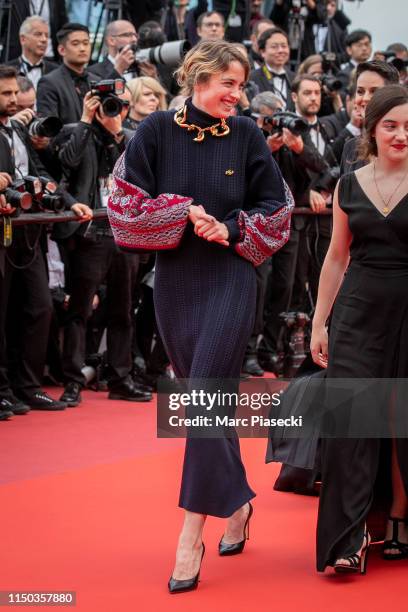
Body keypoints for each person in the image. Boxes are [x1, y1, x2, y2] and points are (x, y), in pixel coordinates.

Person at [107, 40, 293, 592]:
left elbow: (277, 207)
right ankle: (236, 505)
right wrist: (178, 211)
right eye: (227, 83)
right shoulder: (155, 130)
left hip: (232, 278)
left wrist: (231, 228)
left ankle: (191, 536)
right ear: (196, 77)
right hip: (176, 282)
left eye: (241, 83)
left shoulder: (248, 133)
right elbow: (121, 203)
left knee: (207, 395)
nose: (237, 94)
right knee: (206, 400)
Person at [311, 85, 408, 573]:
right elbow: (335, 257)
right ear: (372, 128)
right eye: (391, 125)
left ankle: (398, 518)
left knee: (401, 419)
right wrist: (319, 321)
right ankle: (348, 540)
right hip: (358, 310)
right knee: (352, 423)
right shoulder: (349, 185)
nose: (401, 135)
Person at [6, 16, 58, 90]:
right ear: (23, 39)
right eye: (38, 34)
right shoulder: (6, 70)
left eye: (46, 36)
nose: (44, 40)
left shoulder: (56, 71)